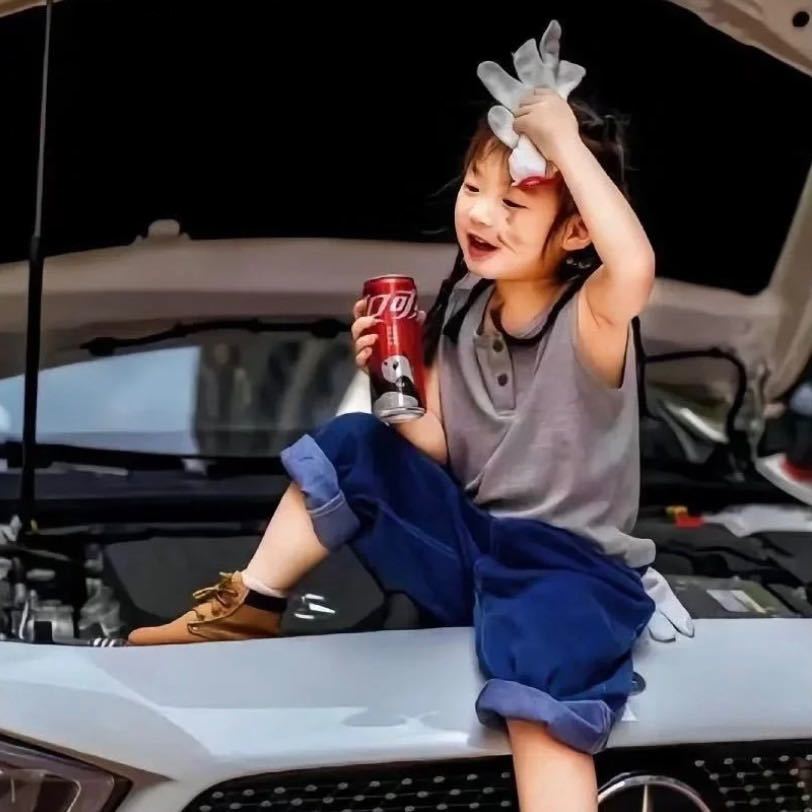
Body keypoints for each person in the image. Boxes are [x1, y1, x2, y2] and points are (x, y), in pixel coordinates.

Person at [128, 81, 660, 810]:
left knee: (543, 688)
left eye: (513, 203)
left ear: (573, 233)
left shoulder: (591, 315)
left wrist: (565, 141)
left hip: (566, 569)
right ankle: (248, 604)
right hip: (475, 545)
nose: (480, 212)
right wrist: (389, 379)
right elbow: (440, 447)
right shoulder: (465, 305)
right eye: (473, 187)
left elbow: (634, 266)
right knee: (352, 443)